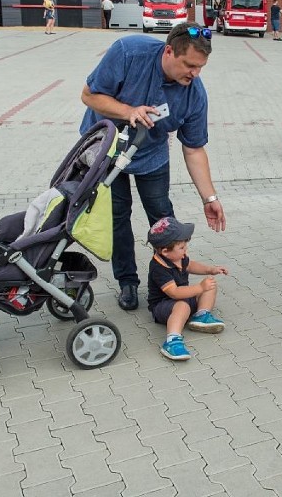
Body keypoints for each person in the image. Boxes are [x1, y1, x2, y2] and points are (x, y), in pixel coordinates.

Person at [80, 22, 226, 311]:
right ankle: (127, 283)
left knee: (163, 219)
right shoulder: (128, 52)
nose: (195, 74)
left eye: (200, 67)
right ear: (169, 51)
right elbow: (89, 95)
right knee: (118, 217)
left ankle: (173, 280)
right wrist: (128, 111)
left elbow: (194, 148)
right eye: (189, 65)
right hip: (107, 150)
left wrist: (210, 198)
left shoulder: (194, 94)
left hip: (152, 156)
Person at [146, 216, 228, 360]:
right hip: (163, 306)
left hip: (182, 297)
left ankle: (201, 315)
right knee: (183, 306)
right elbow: (174, 292)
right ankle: (172, 340)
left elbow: (190, 265)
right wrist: (199, 288)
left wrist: (210, 269)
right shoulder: (158, 267)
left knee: (210, 285)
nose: (186, 250)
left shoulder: (179, 256)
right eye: (182, 247)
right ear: (165, 251)